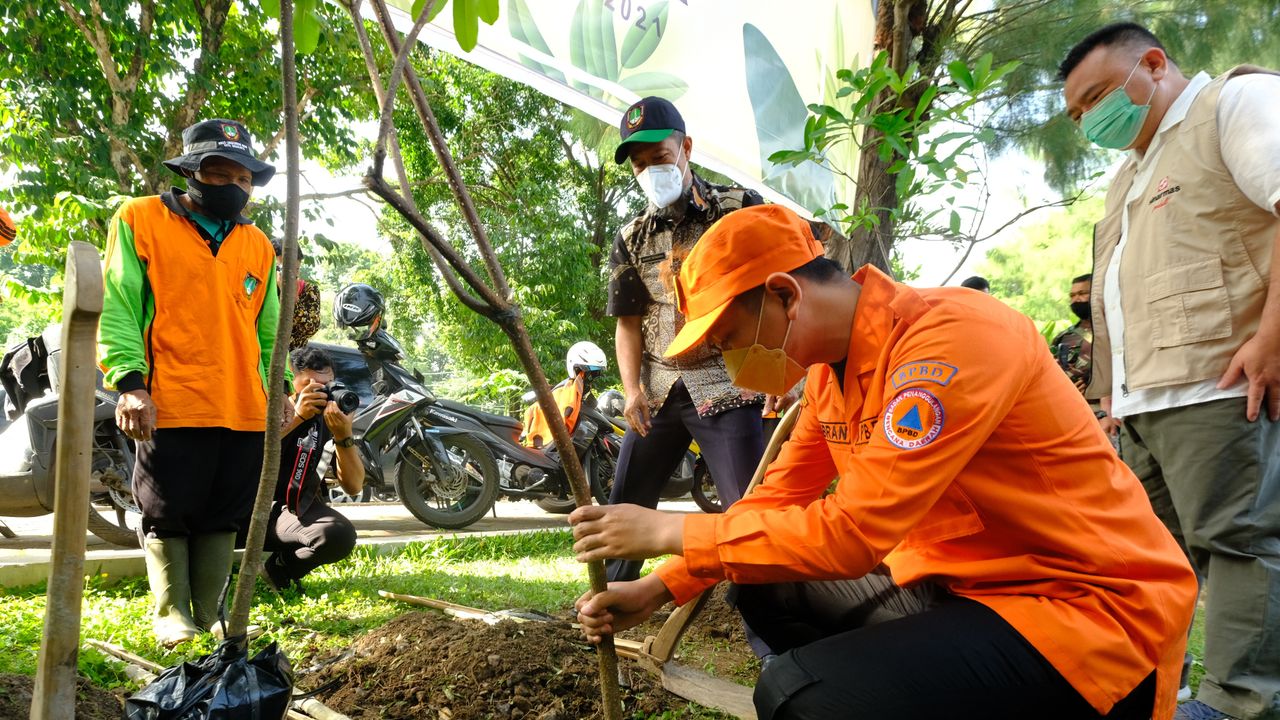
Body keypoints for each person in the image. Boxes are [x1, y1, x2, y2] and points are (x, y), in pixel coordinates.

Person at [571, 204, 1197, 720]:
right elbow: (773, 502)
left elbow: (853, 535)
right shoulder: (827, 380)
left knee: (800, 698)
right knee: (760, 580)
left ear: (786, 295)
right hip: (964, 593)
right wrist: (660, 585)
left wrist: (667, 528)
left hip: (1085, 609)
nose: (732, 364)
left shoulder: (952, 337)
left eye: (731, 341)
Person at [1061, 22, 1280, 720]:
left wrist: (1273, 339)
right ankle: (1163, 690)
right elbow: (1124, 295)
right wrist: (1113, 396)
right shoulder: (1130, 170)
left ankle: (1239, 704)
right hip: (1145, 404)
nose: (1089, 120)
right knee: (1154, 557)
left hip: (1218, 384)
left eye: (1095, 97)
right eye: (1075, 114)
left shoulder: (1234, 106)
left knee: (1240, 544)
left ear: (1154, 64)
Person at [99, 118, 279, 647]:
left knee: (224, 510)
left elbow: (266, 330)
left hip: (242, 402)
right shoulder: (140, 219)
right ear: (192, 172)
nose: (235, 186)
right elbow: (119, 305)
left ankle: (212, 608)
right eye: (222, 173)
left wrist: (279, 389)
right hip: (171, 399)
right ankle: (171, 611)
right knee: (166, 507)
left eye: (245, 178)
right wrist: (130, 383)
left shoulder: (257, 244)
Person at [604, 95, 768, 582]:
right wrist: (631, 390)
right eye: (639, 165)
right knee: (623, 504)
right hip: (656, 393)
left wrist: (777, 372)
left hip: (728, 386)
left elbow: (770, 297)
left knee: (747, 511)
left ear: (686, 148)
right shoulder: (631, 237)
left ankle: (770, 626)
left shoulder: (738, 210)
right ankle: (611, 601)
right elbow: (627, 323)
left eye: (659, 157)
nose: (651, 171)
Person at [255, 345, 362, 593]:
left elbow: (354, 486)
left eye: (328, 385)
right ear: (291, 385)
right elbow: (251, 456)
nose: (323, 393)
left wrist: (343, 435)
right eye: (312, 386)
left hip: (296, 509)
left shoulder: (330, 419)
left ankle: (279, 569)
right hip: (255, 508)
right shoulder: (270, 409)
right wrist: (298, 418)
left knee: (339, 535)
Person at [1049, 273, 1119, 436]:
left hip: (1106, 411)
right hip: (1070, 410)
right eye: (1072, 295)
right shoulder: (1063, 337)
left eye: (1082, 294)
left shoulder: (1113, 330)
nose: (1076, 299)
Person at [271, 238, 322, 352]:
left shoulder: (309, 290)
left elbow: (311, 329)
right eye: (284, 269)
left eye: (296, 269)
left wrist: (293, 300)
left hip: (293, 362)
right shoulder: (261, 289)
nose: (292, 274)